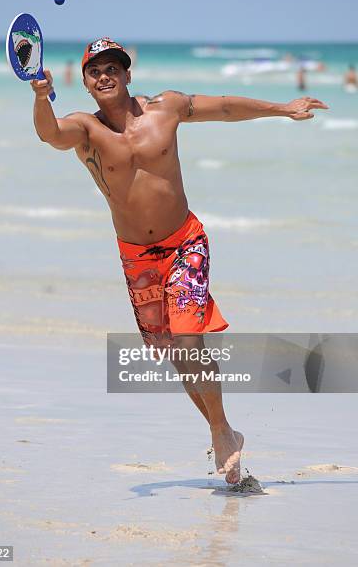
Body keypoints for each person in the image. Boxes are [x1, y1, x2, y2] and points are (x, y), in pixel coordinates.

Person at [30, 37, 329, 484]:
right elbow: (49, 134)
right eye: (95, 71)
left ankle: (221, 431)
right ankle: (222, 428)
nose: (105, 75)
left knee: (189, 341)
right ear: (88, 84)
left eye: (113, 67)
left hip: (185, 242)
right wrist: (39, 97)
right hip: (137, 258)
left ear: (129, 74)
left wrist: (283, 108)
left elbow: (225, 107)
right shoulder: (84, 130)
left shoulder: (165, 109)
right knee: (175, 353)